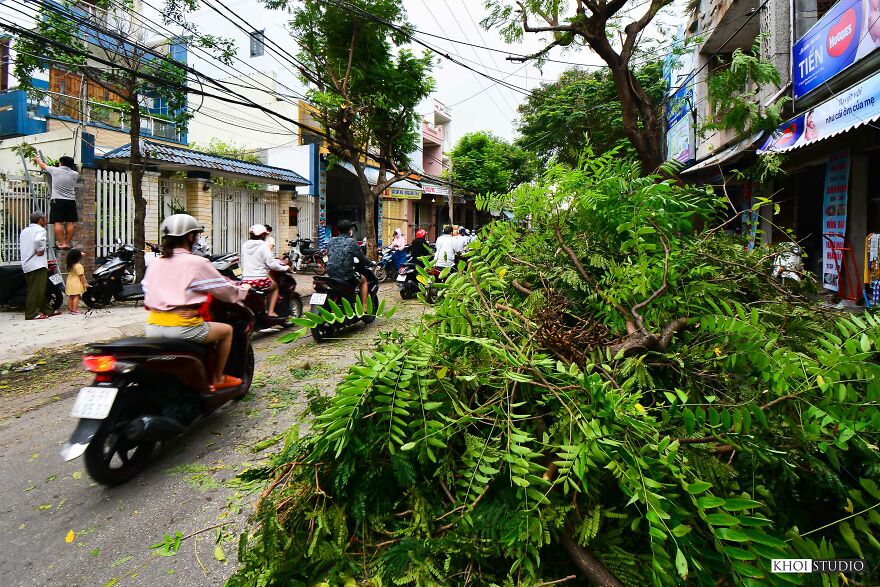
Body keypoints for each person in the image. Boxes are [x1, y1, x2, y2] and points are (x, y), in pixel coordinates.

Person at [142, 214, 251, 390]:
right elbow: (224, 290)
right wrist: (243, 291)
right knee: (227, 331)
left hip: (152, 326)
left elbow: (148, 291)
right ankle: (218, 377)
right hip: (183, 328)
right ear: (190, 237)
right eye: (196, 235)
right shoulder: (196, 262)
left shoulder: (156, 263)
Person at [240, 224, 290, 317]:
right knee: (275, 287)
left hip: (246, 280)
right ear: (262, 235)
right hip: (260, 280)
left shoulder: (245, 245)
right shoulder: (264, 246)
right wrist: (285, 268)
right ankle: (271, 312)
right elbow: (271, 264)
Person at [34, 156, 79, 250]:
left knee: (58, 222)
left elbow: (43, 165)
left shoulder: (55, 170)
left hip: (58, 200)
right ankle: (68, 242)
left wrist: (38, 160)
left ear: (61, 163)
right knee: (70, 222)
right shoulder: (75, 174)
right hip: (71, 201)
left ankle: (62, 243)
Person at [19, 211, 57, 320]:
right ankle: (31, 313)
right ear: (41, 220)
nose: (46, 221)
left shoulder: (25, 231)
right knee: (35, 290)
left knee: (38, 289)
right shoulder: (40, 230)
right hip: (37, 264)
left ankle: (48, 310)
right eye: (44, 219)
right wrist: (40, 250)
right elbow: (38, 240)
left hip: (27, 263)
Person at [326, 219, 370, 308]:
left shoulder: (331, 240)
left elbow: (329, 254)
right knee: (364, 280)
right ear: (350, 230)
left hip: (331, 274)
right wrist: (370, 263)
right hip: (346, 276)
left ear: (338, 230)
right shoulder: (352, 242)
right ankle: (365, 306)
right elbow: (361, 258)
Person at [65, 248, 88, 315]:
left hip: (70, 282)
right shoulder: (78, 266)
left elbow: (73, 254)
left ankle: (71, 309)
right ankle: (75, 310)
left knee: (71, 296)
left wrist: (80, 254)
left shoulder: (70, 264)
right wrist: (85, 283)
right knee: (76, 296)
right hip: (76, 282)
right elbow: (81, 276)